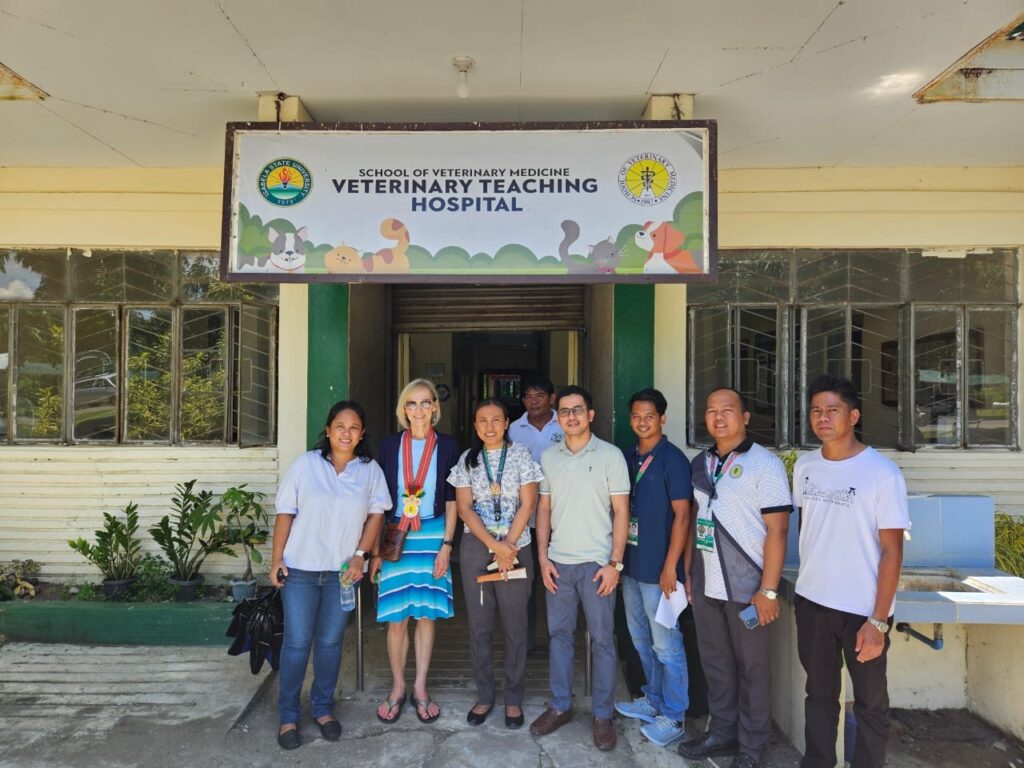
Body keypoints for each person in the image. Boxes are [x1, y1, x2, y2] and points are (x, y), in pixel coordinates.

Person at [793, 374, 909, 768]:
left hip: (862, 612)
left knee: (870, 704)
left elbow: (892, 552)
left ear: (853, 415)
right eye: (816, 411)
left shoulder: (882, 473)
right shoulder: (805, 466)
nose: (822, 418)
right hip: (812, 603)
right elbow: (808, 527)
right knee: (819, 697)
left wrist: (878, 621)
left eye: (832, 410)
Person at [679, 387, 792, 768]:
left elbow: (778, 531)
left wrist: (770, 590)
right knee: (716, 663)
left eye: (727, 410)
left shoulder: (765, 465)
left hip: (748, 590)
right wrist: (691, 572)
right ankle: (722, 733)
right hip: (708, 585)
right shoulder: (700, 463)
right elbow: (697, 521)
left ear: (745, 417)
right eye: (711, 411)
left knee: (753, 669)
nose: (718, 417)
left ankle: (752, 745)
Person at [270, 400, 391, 750]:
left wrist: (360, 556)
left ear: (362, 433)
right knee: (296, 644)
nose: (346, 432)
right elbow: (285, 513)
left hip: (342, 573)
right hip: (301, 569)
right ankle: (289, 715)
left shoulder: (369, 471)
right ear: (328, 429)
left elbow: (376, 516)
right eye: (340, 425)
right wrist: (276, 558)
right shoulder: (306, 465)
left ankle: (323, 709)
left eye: (354, 427)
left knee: (329, 644)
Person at [529, 385, 630, 752]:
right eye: (564, 411)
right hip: (558, 562)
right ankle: (560, 706)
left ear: (591, 415)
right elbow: (543, 510)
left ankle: (602, 714)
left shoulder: (610, 456)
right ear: (558, 418)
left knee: (602, 640)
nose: (571, 416)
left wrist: (615, 563)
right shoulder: (550, 458)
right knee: (559, 637)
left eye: (578, 410)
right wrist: (542, 557)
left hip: (597, 565)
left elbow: (621, 512)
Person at [447, 398, 544, 728]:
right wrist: (494, 546)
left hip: (518, 545)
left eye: (496, 420)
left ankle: (513, 698)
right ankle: (485, 695)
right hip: (477, 547)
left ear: (506, 424)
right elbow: (465, 509)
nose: (489, 426)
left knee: (516, 626)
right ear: (476, 426)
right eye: (482, 421)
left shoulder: (520, 456)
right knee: (480, 626)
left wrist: (509, 546)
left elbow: (528, 503)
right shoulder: (467, 461)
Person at [368, 378, 460, 726]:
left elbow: (453, 499)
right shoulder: (390, 445)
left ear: (435, 407)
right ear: (403, 409)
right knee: (396, 618)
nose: (419, 410)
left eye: (425, 403)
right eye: (412, 403)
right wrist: (376, 549)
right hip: (397, 536)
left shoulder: (449, 445)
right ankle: (397, 687)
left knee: (426, 615)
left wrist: (447, 546)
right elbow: (378, 499)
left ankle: (420, 688)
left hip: (433, 535)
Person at [613, 388, 693, 748]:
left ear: (663, 418)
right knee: (640, 638)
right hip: (630, 564)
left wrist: (671, 567)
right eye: (636, 416)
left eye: (649, 415)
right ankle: (653, 698)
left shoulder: (672, 459)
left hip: (660, 570)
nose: (641, 422)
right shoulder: (629, 456)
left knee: (666, 644)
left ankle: (674, 716)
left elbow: (682, 515)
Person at [509, 376, 564, 652]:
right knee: (527, 581)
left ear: (551, 398)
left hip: (562, 515)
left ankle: (561, 640)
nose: (533, 400)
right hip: (525, 517)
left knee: (560, 580)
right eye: (528, 396)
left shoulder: (565, 423)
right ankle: (527, 641)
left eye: (539, 394)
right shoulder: (513, 429)